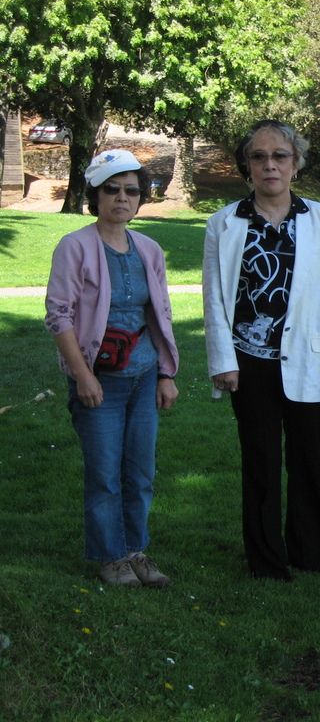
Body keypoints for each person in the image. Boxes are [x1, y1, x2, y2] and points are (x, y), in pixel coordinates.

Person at [203, 120, 320, 581]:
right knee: (261, 463)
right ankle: (267, 561)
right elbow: (214, 299)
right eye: (259, 157)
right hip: (249, 362)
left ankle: (312, 552)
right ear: (247, 166)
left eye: (280, 156)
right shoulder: (224, 223)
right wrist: (222, 361)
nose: (270, 165)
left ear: (296, 163)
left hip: (309, 357)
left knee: (307, 461)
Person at [45, 150, 179, 587]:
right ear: (96, 196)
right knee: (104, 475)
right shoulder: (75, 246)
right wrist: (82, 375)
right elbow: (58, 315)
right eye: (112, 189)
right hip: (100, 381)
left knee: (140, 473)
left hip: (143, 376)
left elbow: (160, 315)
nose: (122, 198)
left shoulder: (149, 249)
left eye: (131, 191)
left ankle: (135, 550)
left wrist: (166, 374)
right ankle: (110, 557)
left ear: (141, 199)